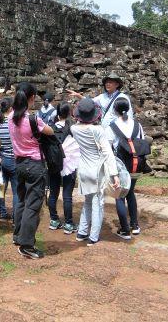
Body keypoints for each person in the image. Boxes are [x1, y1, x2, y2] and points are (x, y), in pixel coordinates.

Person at [9, 82, 54, 259]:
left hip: (19, 163)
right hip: (34, 165)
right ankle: (27, 245)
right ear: (32, 97)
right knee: (33, 205)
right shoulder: (33, 119)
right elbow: (49, 131)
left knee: (21, 200)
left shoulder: (11, 117)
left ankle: (18, 236)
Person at [71, 98, 120, 245]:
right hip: (96, 171)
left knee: (87, 201)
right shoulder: (98, 130)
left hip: (83, 170)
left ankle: (81, 232)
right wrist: (114, 174)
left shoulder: (74, 129)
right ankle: (93, 236)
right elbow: (107, 153)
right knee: (98, 203)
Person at [105, 98, 144, 239]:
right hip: (136, 164)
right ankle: (135, 225)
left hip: (121, 165)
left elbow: (108, 148)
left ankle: (125, 229)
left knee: (120, 196)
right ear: (128, 109)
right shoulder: (137, 125)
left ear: (114, 110)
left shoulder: (112, 126)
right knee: (131, 193)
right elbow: (141, 141)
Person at [47, 103, 77, 234]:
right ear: (69, 114)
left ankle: (54, 220)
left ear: (57, 114)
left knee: (53, 193)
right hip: (69, 163)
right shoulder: (72, 129)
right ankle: (69, 223)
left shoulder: (50, 128)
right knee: (67, 195)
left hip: (53, 163)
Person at [0, 97, 18, 222]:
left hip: (1, 161)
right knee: (16, 191)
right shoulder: (13, 124)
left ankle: (2, 213)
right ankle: (15, 217)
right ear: (10, 108)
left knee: (0, 188)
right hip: (14, 161)